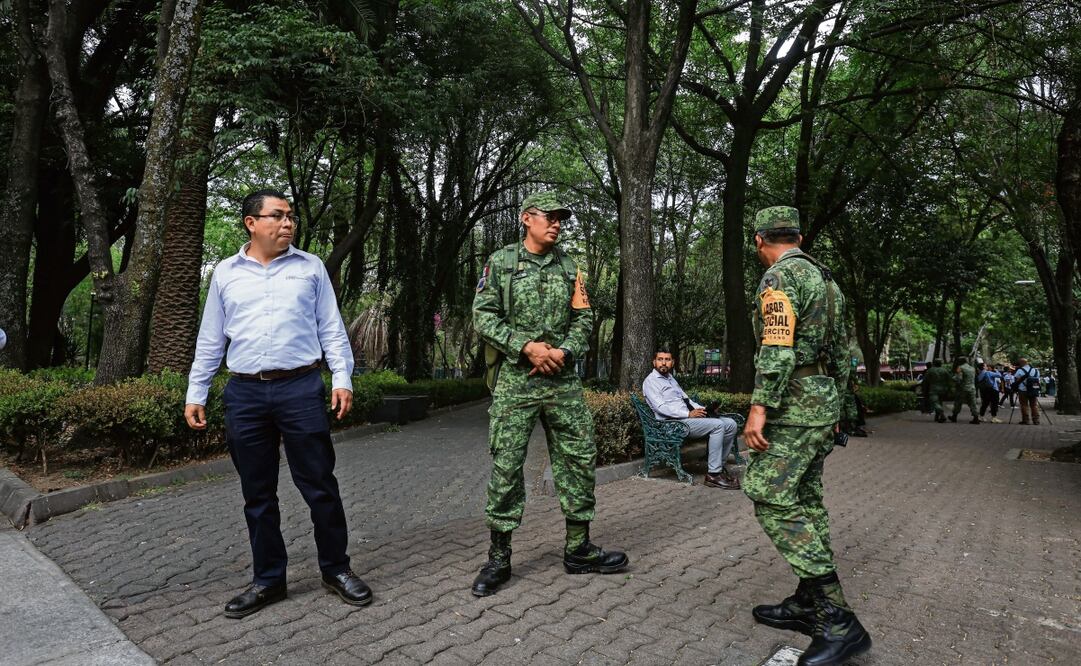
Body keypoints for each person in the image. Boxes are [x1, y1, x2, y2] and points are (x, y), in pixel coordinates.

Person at [184, 189, 370, 618]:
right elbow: (211, 338)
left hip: (300, 388)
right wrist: (197, 391)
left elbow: (332, 328)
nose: (288, 224)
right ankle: (269, 580)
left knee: (320, 485)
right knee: (258, 494)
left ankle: (336, 569)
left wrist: (342, 378)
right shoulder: (226, 274)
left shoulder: (310, 268)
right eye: (278, 216)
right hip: (245, 393)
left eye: (291, 217)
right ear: (252, 223)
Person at [470, 191, 628, 597]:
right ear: (527, 218)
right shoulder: (502, 262)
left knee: (577, 460)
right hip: (516, 382)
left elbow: (584, 316)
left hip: (562, 381)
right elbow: (483, 315)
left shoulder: (570, 266)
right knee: (506, 465)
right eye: (549, 217)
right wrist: (527, 348)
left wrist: (563, 351)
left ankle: (579, 550)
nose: (556, 223)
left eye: (561, 219)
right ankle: (499, 558)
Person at [741, 206, 871, 665]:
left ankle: (838, 618)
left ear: (760, 240)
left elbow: (777, 346)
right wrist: (839, 406)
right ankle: (807, 603)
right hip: (821, 403)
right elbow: (843, 353)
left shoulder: (779, 279)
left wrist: (759, 407)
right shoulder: (826, 279)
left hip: (794, 404)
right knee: (806, 496)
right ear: (796, 234)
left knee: (768, 492)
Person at [642, 349, 741, 489]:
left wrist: (704, 410)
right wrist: (688, 414)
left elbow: (687, 400)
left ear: (672, 362)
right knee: (718, 425)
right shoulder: (651, 382)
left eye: (667, 359)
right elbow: (661, 408)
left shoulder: (671, 379)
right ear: (654, 362)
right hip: (671, 424)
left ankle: (718, 465)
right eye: (660, 359)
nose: (663, 362)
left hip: (685, 420)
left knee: (730, 424)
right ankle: (714, 474)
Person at [948, 357, 980, 424]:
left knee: (958, 403)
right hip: (972, 388)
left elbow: (958, 378)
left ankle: (954, 416)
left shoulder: (960, 368)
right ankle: (976, 418)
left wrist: (953, 378)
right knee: (973, 403)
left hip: (963, 389)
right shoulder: (972, 368)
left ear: (960, 362)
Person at [1013, 358, 1041, 425]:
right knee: (1034, 405)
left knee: (1024, 405)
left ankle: (1026, 420)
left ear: (1021, 363)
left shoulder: (1020, 370)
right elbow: (1038, 380)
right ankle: (1036, 420)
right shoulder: (1036, 370)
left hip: (1023, 390)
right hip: (1033, 390)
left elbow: (1016, 380)